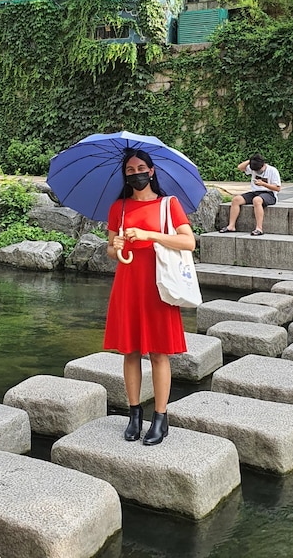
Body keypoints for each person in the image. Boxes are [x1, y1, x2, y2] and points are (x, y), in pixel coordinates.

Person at [104, 148, 196, 446]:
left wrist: (149, 235)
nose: (136, 174)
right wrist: (115, 244)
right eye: (130, 170)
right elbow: (110, 250)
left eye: (140, 168)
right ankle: (133, 415)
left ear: (152, 171)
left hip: (159, 284)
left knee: (158, 352)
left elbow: (188, 241)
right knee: (130, 351)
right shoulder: (118, 207)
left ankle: (160, 416)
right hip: (128, 282)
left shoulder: (168, 205)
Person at [219, 153, 281, 236]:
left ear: (263, 165)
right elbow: (240, 167)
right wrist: (251, 160)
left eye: (259, 170)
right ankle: (231, 226)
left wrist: (263, 184)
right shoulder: (253, 168)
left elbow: (277, 188)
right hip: (255, 192)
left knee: (257, 200)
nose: (257, 172)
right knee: (236, 199)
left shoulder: (272, 170)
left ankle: (259, 228)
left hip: (269, 193)